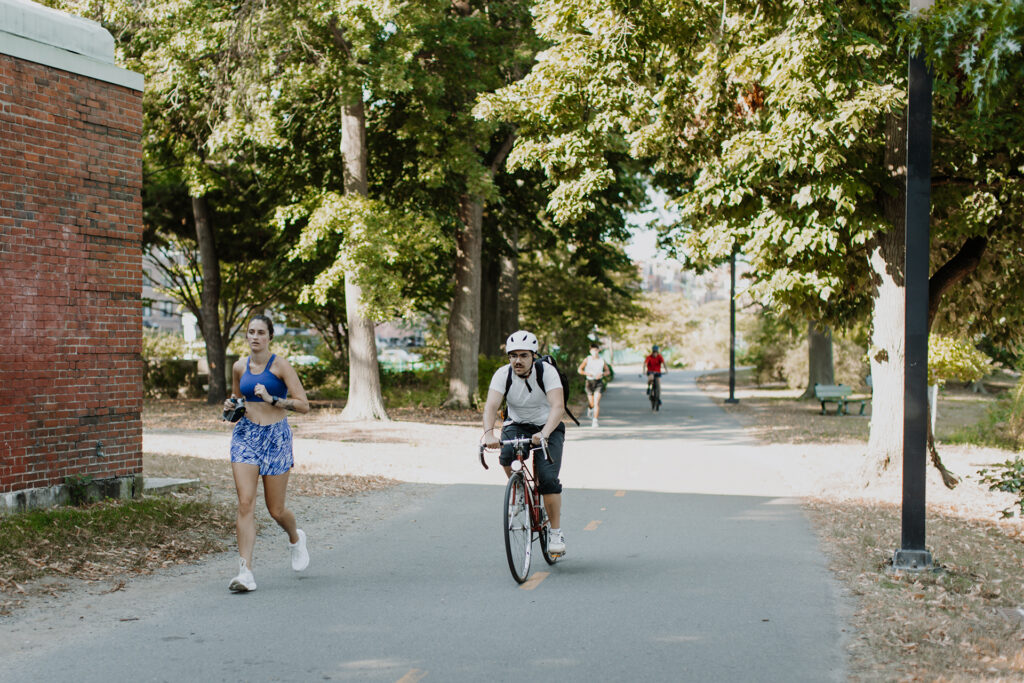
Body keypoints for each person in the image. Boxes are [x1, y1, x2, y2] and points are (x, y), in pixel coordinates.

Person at [222, 313, 311, 592]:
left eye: (261, 332)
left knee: (276, 510)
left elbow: (304, 404)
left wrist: (274, 399)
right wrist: (229, 409)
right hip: (246, 437)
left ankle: (296, 538)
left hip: (276, 437)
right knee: (245, 502)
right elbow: (237, 403)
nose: (255, 337)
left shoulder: (280, 366)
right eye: (251, 332)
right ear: (246, 336)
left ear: (270, 337)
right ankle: (245, 572)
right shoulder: (239, 367)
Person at [482, 330, 567, 555]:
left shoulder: (546, 372)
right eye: (512, 356)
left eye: (523, 355)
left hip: (548, 425)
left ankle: (556, 533)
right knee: (506, 456)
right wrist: (489, 434)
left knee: (548, 479)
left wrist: (546, 432)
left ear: (533, 356)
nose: (517, 360)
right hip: (517, 423)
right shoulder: (503, 374)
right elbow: (491, 406)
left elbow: (558, 406)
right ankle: (518, 488)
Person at [577, 343, 611, 428]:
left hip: (598, 382)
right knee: (591, 403)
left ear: (598, 350)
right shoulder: (587, 359)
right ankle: (590, 408)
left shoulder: (602, 360)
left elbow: (608, 371)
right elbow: (579, 370)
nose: (595, 352)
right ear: (590, 351)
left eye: (596, 350)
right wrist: (587, 373)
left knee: (596, 402)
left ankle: (595, 421)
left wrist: (602, 374)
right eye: (593, 350)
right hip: (589, 382)